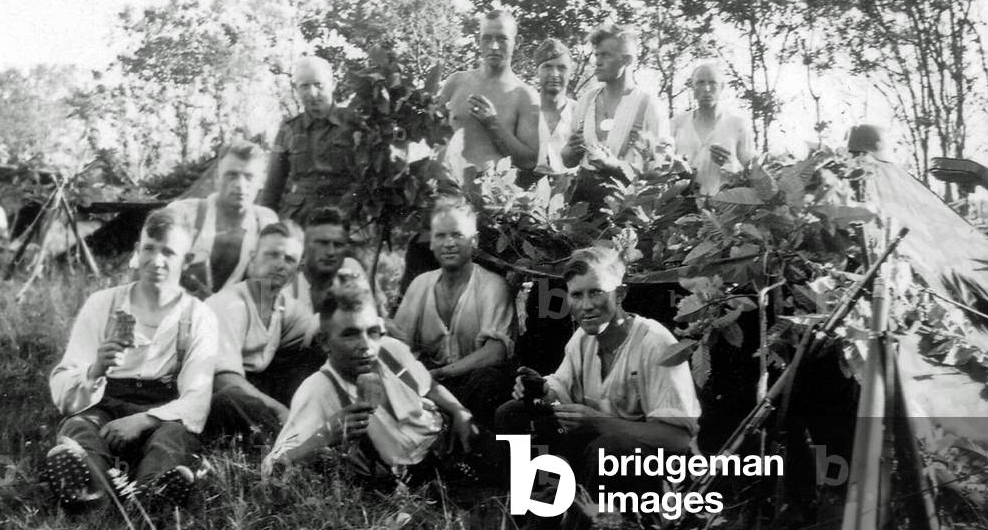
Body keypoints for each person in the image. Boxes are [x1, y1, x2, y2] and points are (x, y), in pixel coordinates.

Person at [43, 209, 218, 508]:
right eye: (149, 248)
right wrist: (95, 369)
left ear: (187, 261)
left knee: (174, 438)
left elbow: (196, 399)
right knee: (80, 428)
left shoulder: (199, 316)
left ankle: (152, 498)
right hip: (104, 404)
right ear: (137, 252)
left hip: (160, 410)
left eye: (169, 252)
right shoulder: (103, 304)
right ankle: (90, 494)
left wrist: (143, 419)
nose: (156, 261)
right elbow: (64, 384)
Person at [495, 245, 700, 497]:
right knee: (514, 413)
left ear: (620, 294)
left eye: (596, 293)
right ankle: (533, 513)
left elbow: (677, 439)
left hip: (658, 473)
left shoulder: (654, 343)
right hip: (601, 456)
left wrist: (598, 422)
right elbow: (560, 390)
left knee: (609, 447)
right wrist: (540, 388)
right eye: (577, 295)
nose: (586, 305)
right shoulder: (584, 338)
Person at [262, 271, 478, 481]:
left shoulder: (391, 350)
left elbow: (429, 386)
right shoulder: (318, 390)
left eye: (372, 332)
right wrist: (326, 434)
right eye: (350, 334)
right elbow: (272, 469)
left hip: (444, 442)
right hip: (402, 478)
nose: (366, 346)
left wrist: (459, 411)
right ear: (324, 342)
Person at [388, 197, 514, 427]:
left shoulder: (492, 285)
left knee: (489, 381)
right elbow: (397, 344)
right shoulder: (421, 284)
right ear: (431, 243)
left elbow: (496, 351)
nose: (449, 244)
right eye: (441, 235)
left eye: (457, 235)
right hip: (429, 381)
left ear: (474, 241)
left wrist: (443, 373)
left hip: (471, 382)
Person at [204, 221, 319, 445]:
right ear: (253, 257)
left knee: (319, 355)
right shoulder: (228, 304)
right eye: (272, 255)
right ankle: (295, 448)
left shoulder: (285, 306)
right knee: (233, 398)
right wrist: (279, 410)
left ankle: (326, 434)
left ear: (298, 268)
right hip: (212, 396)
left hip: (252, 392)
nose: (279, 265)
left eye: (289, 259)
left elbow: (323, 330)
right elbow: (224, 381)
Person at [168, 141, 278, 298]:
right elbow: (142, 268)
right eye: (231, 175)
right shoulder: (183, 213)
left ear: (261, 181)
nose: (240, 185)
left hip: (232, 317)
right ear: (216, 177)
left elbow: (267, 287)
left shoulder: (266, 222)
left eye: (249, 177)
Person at [438, 9, 541, 174]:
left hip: (490, 193)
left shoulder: (525, 96)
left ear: (517, 42)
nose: (494, 46)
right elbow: (430, 130)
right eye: (487, 38)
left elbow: (529, 161)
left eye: (502, 39)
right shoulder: (456, 81)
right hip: (448, 189)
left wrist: (492, 124)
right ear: (478, 40)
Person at [260, 57, 359, 223]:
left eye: (318, 84)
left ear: (333, 84)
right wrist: (265, 225)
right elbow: (272, 187)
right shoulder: (288, 129)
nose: (312, 93)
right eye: (304, 86)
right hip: (298, 221)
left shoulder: (354, 124)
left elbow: (367, 180)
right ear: (296, 89)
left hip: (343, 218)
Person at [561, 24, 663, 179]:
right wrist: (569, 152)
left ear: (627, 60)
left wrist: (614, 166)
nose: (598, 62)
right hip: (584, 198)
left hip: (627, 199)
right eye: (597, 55)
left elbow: (659, 171)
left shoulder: (649, 106)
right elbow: (569, 162)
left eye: (606, 55)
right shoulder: (586, 101)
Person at [671, 62, 755, 195]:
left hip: (724, 207)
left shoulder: (738, 125)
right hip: (680, 207)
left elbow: (753, 175)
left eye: (713, 83)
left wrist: (731, 164)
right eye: (700, 83)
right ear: (692, 86)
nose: (707, 89)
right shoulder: (677, 124)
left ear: (722, 87)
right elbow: (663, 169)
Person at [285, 207, 367, 315]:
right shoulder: (286, 287)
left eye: (338, 245)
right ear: (304, 244)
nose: (330, 252)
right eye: (322, 243)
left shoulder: (351, 273)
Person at [532, 38, 578, 179]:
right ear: (537, 71)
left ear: (571, 72)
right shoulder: (525, 110)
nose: (555, 74)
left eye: (562, 67)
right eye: (547, 66)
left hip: (570, 189)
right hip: (526, 187)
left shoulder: (579, 111)